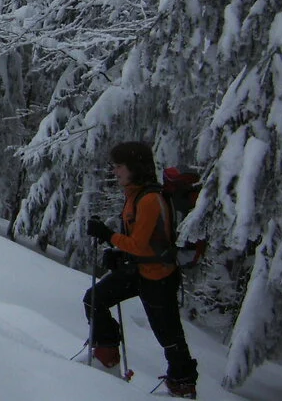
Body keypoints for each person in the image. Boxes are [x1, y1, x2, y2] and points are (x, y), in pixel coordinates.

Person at [85, 142, 199, 398]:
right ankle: (106, 358)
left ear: (134, 168)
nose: (115, 172)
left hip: (159, 276)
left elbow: (139, 244)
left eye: (119, 167)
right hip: (141, 270)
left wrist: (108, 236)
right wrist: (118, 253)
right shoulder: (135, 194)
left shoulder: (149, 199)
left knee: (168, 335)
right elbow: (140, 241)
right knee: (94, 299)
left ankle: (183, 385)